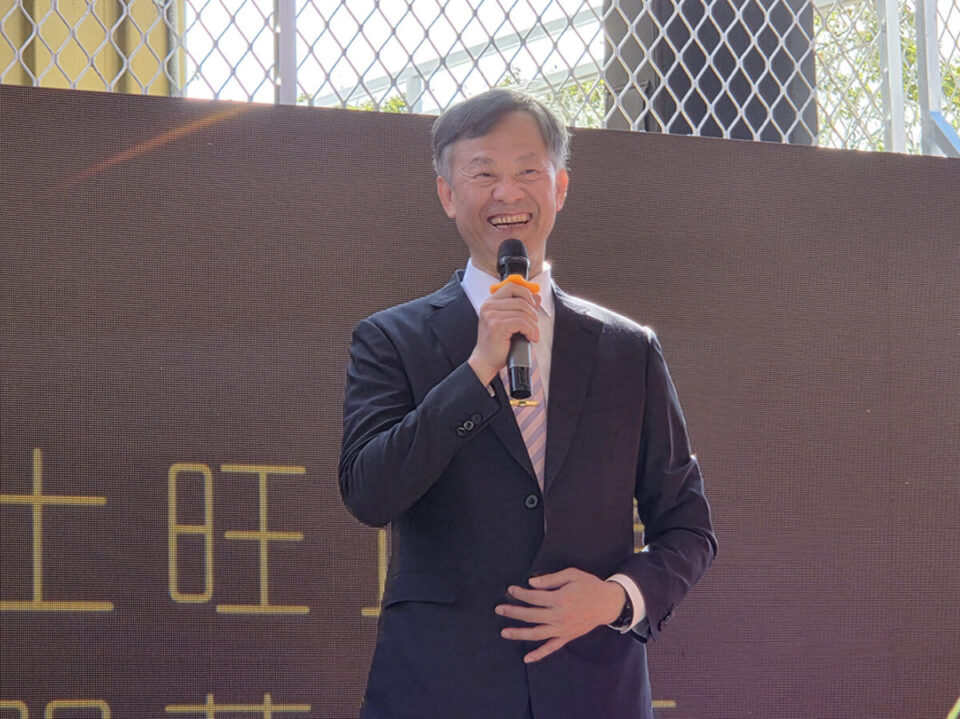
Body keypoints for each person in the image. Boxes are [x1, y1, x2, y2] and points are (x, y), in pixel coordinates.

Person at [339, 89, 716, 719]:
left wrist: (615, 599)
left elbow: (688, 527)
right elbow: (369, 493)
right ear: (447, 194)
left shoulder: (629, 350)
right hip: (440, 688)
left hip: (596, 690)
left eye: (527, 171)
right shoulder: (392, 339)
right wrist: (476, 369)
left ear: (560, 187)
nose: (507, 193)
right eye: (483, 173)